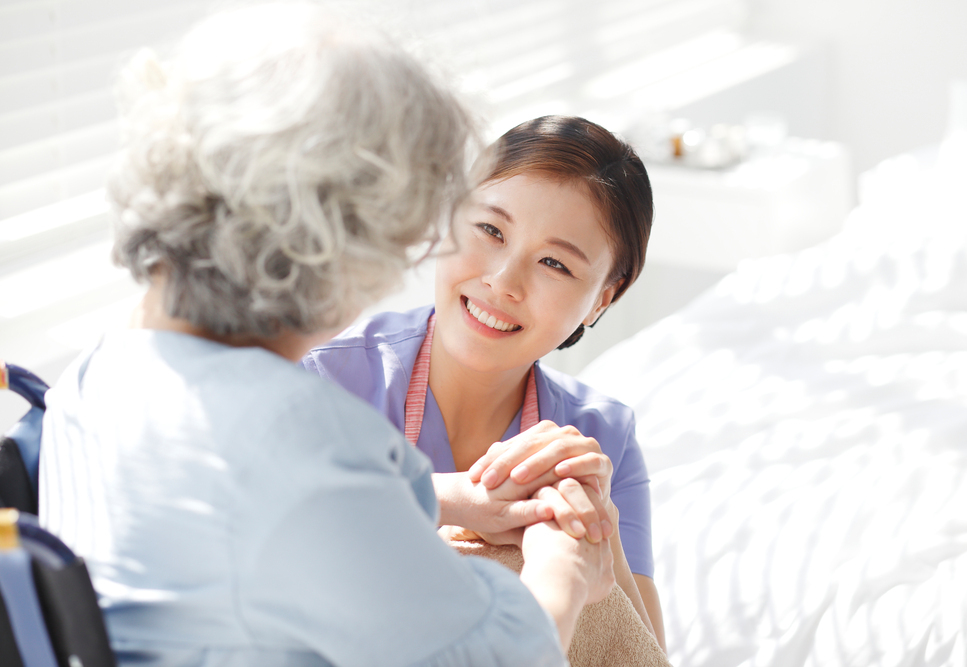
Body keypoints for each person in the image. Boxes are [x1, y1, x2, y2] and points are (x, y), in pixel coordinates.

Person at [38, 5, 615, 665]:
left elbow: (257, 518)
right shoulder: (299, 438)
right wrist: (565, 565)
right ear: (354, 241)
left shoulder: (104, 368)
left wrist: (461, 499)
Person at [301, 115, 665, 647]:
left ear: (602, 299)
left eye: (554, 263)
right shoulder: (325, 382)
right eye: (491, 230)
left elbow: (638, 652)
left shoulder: (601, 441)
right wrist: (450, 498)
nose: (503, 281)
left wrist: (598, 524)